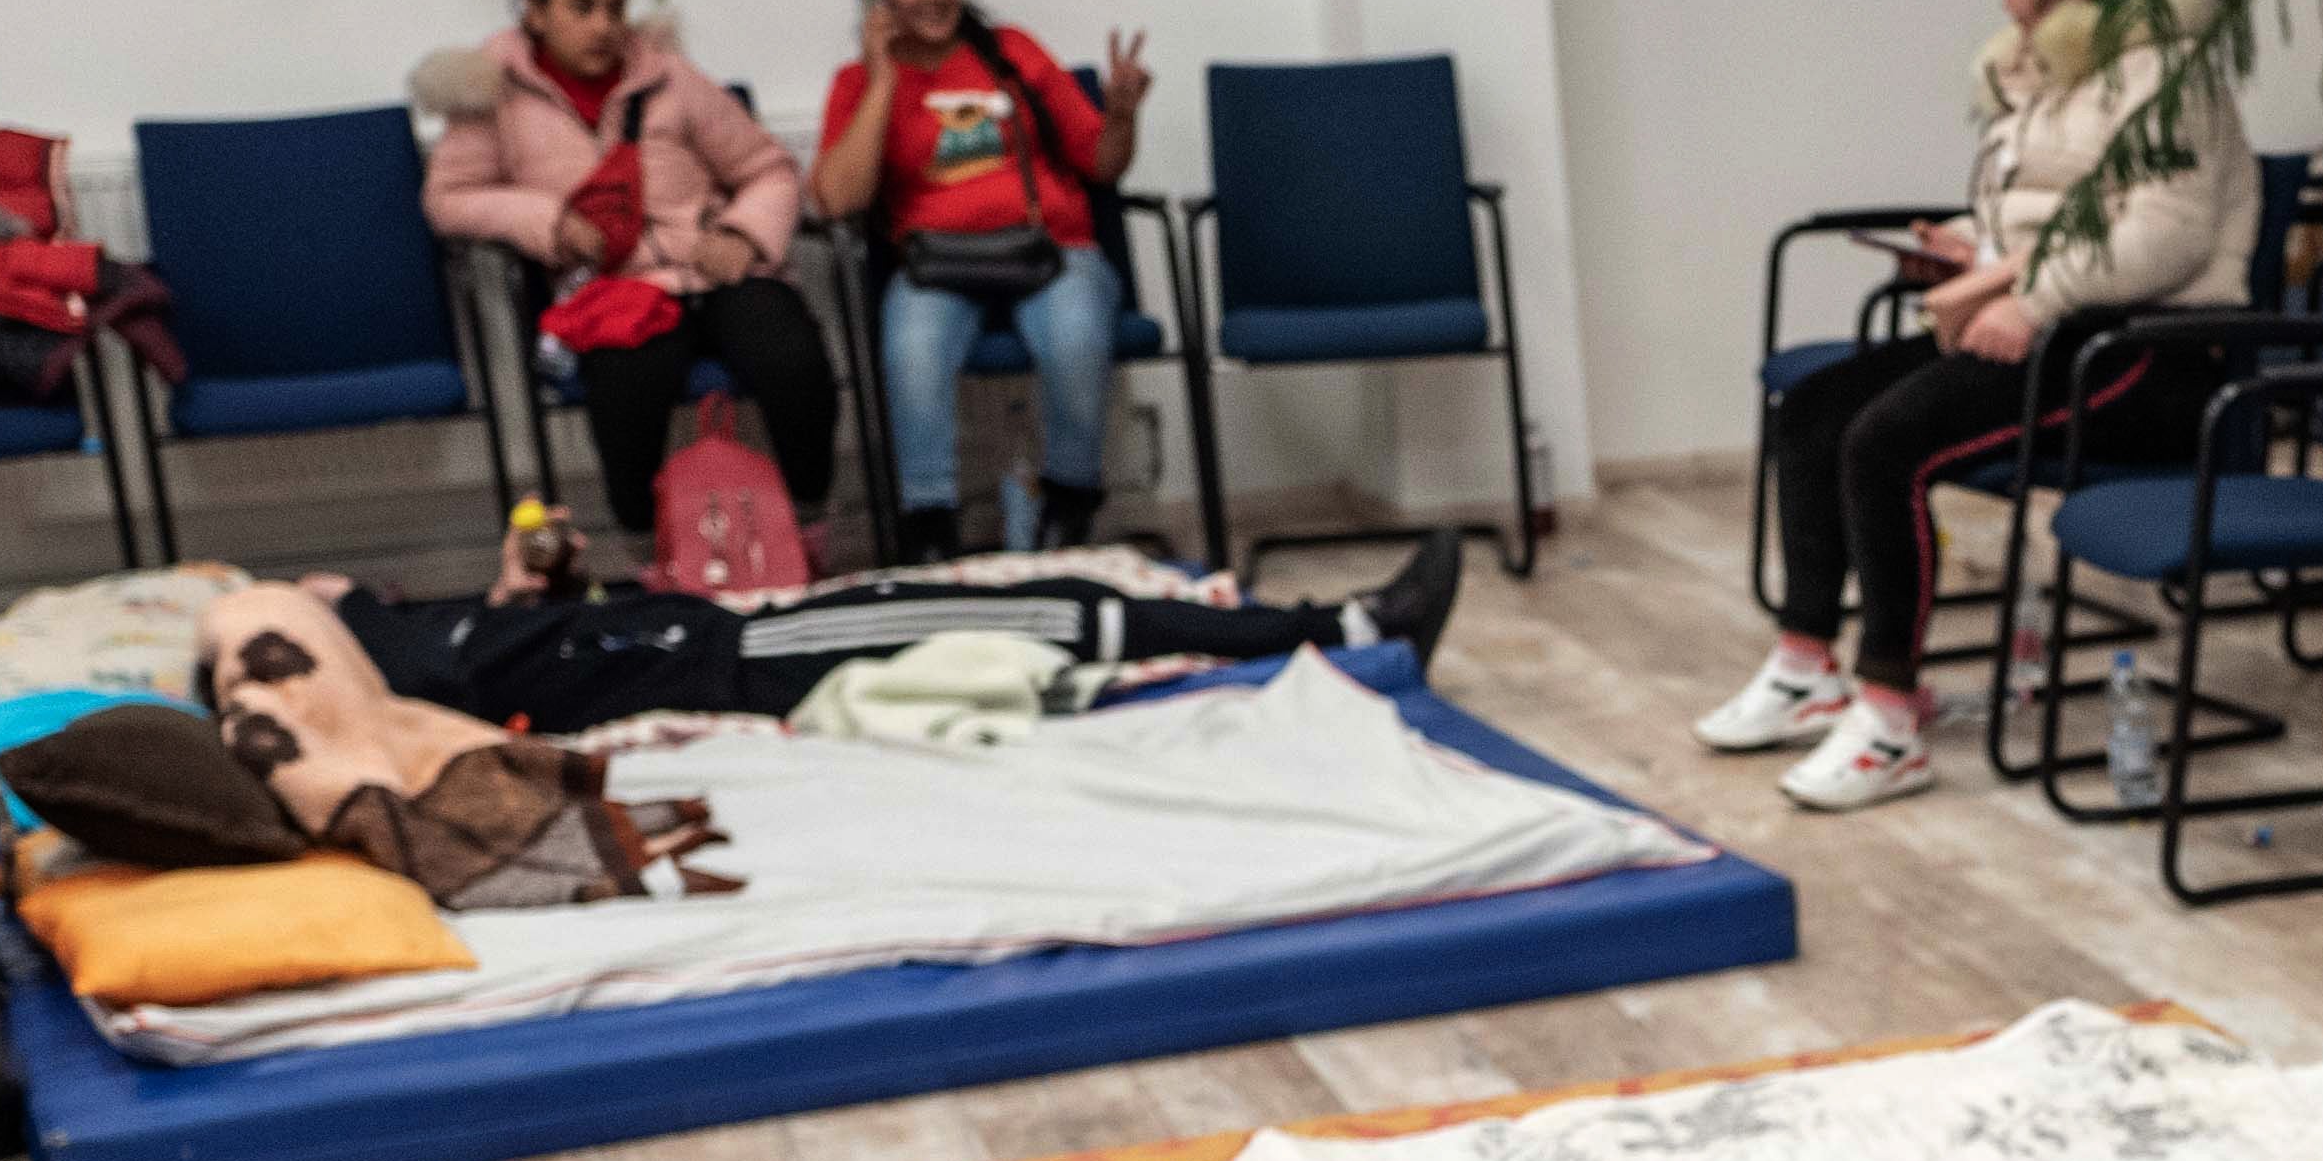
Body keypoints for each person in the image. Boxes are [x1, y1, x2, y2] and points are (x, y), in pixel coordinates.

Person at [1694, 0, 2251, 814]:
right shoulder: (2057, 75)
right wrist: (1961, 249)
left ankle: (1890, 715)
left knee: (1889, 442)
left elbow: (2162, 240)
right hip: (2045, 325)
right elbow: (2039, 212)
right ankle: (1804, 664)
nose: (2009, 7)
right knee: (1816, 410)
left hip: (2141, 355)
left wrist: (2030, 300)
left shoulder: (2169, 78)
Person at [280, 508, 1460, 734]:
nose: (339, 587)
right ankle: (1347, 627)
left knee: (1033, 609)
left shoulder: (431, 640)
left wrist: (531, 593)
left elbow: (545, 646)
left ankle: (1332, 624)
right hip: (741, 660)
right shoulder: (388, 668)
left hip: (737, 634)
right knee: (1047, 618)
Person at [423, 0, 842, 541]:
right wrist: (548, 224)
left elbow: (769, 168)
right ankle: (653, 550)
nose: (604, 26)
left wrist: (743, 236)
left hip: (715, 266)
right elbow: (449, 199)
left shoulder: (669, 77)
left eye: (615, 8)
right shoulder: (493, 94)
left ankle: (807, 527)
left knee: (793, 361)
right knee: (627, 388)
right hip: (618, 290)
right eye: (582, 7)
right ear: (535, 14)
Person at [812, 0, 1156, 567]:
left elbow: (1103, 164)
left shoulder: (1012, 53)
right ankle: (932, 524)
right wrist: (884, 79)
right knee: (911, 348)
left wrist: (1119, 114)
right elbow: (839, 198)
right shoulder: (857, 83)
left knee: (1078, 336)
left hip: (1048, 247)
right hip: (935, 263)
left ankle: (1070, 504)